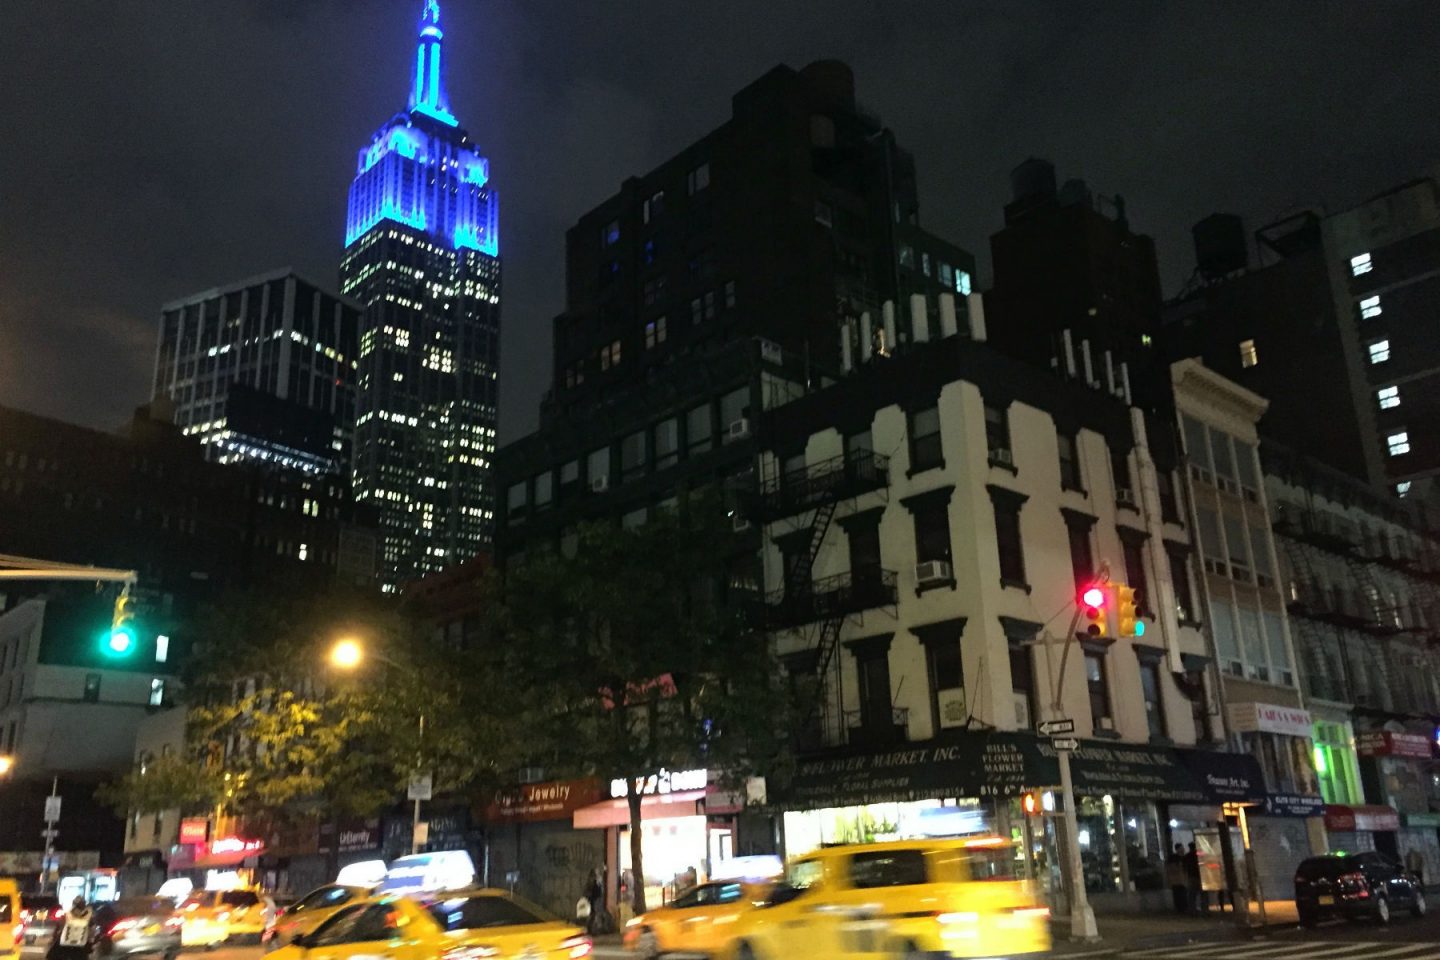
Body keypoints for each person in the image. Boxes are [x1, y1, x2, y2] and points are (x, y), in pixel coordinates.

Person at [1166, 843, 1189, 913]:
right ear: (1178, 849)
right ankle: (1180, 909)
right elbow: (1171, 869)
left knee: (1181, 895)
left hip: (1180, 880)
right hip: (1177, 880)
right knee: (1179, 895)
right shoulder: (1175, 858)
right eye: (1181, 848)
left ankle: (1182, 908)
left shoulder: (1181, 858)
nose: (1183, 850)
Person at [1185, 842, 1206, 913]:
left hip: (1192, 877)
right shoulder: (1200, 854)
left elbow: (1185, 866)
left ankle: (1192, 910)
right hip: (1201, 876)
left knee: (1192, 895)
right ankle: (1205, 909)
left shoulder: (1187, 856)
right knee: (1203, 894)